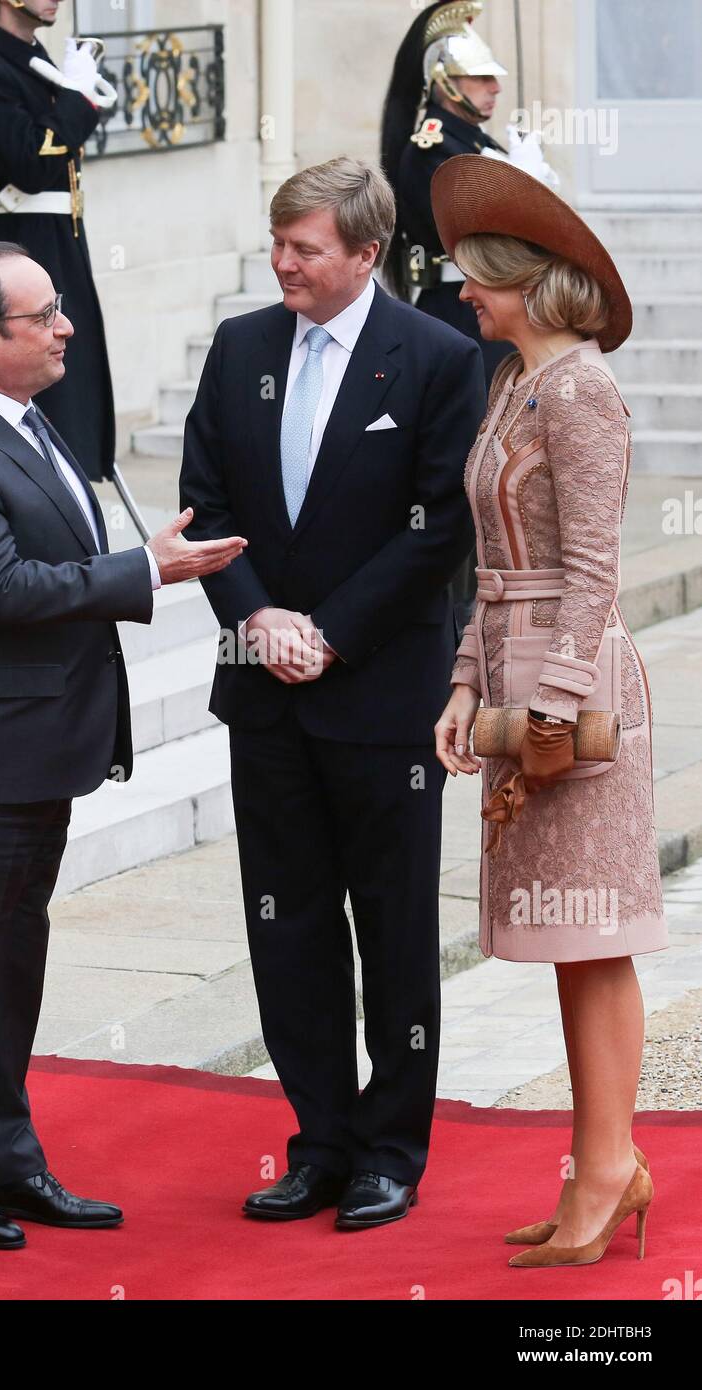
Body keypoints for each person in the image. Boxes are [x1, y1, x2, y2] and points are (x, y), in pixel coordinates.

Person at [0, 242, 245, 1249]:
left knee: (12, 959)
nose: (65, 325)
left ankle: (5, 1151)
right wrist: (145, 569)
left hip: (33, 748)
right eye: (43, 316)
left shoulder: (29, 420)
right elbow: (3, 590)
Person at [179, 158, 485, 1230]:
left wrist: (332, 634)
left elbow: (441, 527)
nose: (282, 265)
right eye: (277, 244)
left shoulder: (440, 359)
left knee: (394, 929)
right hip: (266, 696)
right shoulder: (240, 348)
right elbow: (205, 502)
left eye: (304, 249)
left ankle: (390, 1150)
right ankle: (317, 1140)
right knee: (288, 925)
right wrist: (256, 619)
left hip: (381, 699)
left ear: (365, 254)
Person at [432, 154, 664, 1268]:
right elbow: (492, 565)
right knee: (570, 940)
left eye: (473, 273)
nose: (457, 287)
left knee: (594, 932)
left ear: (520, 278)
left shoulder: (577, 389)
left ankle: (606, 1169)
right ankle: (604, 1166)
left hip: (574, 682)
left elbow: (590, 568)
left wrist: (554, 706)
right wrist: (469, 685)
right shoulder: (508, 384)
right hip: (516, 668)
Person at [0, 0, 117, 480]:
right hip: (18, 249)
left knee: (66, 393)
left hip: (52, 245)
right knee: (27, 388)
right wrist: (78, 96)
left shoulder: (27, 53)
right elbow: (30, 164)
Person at [380, 1, 512, 638]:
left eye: (493, 79)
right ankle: (458, 613)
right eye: (480, 79)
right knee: (464, 459)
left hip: (484, 315)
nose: (492, 90)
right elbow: (462, 231)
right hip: (454, 313)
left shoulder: (475, 141)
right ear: (444, 83)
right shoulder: (431, 147)